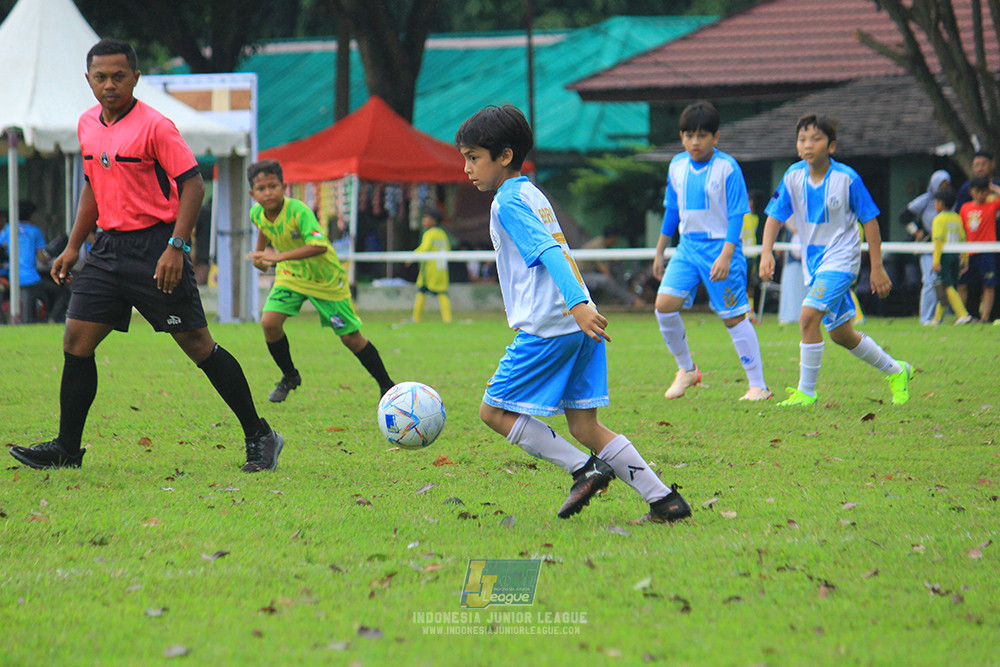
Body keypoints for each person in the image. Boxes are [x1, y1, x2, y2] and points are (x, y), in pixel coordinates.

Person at [7, 39, 283, 472]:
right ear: (88, 80)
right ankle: (67, 448)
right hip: (107, 248)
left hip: (157, 247)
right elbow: (93, 186)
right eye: (101, 77)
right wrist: (74, 246)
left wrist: (177, 246)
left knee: (197, 345)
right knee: (76, 341)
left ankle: (260, 434)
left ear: (136, 78)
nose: (109, 85)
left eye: (119, 76)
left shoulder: (156, 126)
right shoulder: (86, 124)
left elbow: (193, 184)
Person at [456, 104, 691, 524]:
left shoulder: (507, 202)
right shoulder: (532, 192)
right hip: (580, 323)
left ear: (504, 156)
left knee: (493, 412)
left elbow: (548, 252)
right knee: (585, 427)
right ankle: (665, 501)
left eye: (473, 158)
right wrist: (582, 306)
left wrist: (576, 305)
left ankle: (585, 470)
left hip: (552, 325)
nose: (467, 168)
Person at [759, 114, 913, 406]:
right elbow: (774, 216)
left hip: (842, 259)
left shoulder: (847, 178)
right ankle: (897, 370)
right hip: (814, 263)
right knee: (842, 334)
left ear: (831, 146)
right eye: (802, 139)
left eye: (815, 139)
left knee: (808, 317)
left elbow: (870, 222)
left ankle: (806, 392)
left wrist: (877, 267)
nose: (808, 144)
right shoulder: (792, 176)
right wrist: (766, 252)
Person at [246, 159, 396, 403]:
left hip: (325, 279)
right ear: (252, 194)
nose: (268, 192)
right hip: (291, 276)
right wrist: (260, 256)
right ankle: (290, 376)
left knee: (350, 337)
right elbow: (264, 228)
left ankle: (387, 385)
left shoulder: (299, 211)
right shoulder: (256, 213)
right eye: (261, 189)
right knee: (269, 323)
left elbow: (318, 246)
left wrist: (277, 257)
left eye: (273, 186)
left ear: (284, 187)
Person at [652, 101, 771, 401]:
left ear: (715, 137)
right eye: (689, 135)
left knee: (733, 317)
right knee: (664, 306)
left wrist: (726, 254)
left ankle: (758, 386)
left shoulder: (727, 167)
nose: (695, 141)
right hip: (687, 248)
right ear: (681, 137)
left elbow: (737, 214)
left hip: (720, 247)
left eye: (702, 135)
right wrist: (660, 250)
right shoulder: (676, 166)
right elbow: (672, 211)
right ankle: (687, 369)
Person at [899, 170, 952, 324]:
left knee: (947, 282)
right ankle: (926, 318)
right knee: (930, 281)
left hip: (948, 245)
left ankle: (943, 317)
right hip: (929, 244)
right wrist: (916, 231)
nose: (944, 188)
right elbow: (903, 217)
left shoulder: (952, 201)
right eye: (941, 185)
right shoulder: (926, 200)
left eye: (946, 185)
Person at [957, 176, 1000, 322]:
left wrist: (993, 188)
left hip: (986, 252)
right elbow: (961, 230)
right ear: (971, 191)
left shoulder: (992, 205)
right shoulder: (965, 207)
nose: (980, 195)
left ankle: (985, 317)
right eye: (977, 191)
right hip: (969, 252)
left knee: (988, 285)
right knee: (962, 284)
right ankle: (961, 315)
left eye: (983, 191)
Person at [929, 187, 973, 325]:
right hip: (955, 255)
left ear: (941, 203)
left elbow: (938, 241)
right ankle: (937, 319)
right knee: (948, 286)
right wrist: (964, 258)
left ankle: (963, 314)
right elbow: (963, 238)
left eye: (936, 202)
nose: (935, 204)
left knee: (947, 286)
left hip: (944, 257)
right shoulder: (956, 217)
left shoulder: (939, 219)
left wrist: (936, 261)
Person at [0, 203, 48, 323]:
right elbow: (42, 257)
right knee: (57, 293)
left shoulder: (8, 229)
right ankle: (52, 318)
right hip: (31, 277)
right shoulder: (35, 231)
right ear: (31, 215)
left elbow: (2, 246)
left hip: (13, 277)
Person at [406, 206, 452, 322]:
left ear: (433, 220)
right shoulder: (442, 234)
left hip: (430, 270)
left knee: (422, 291)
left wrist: (412, 257)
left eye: (426, 218)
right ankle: (447, 319)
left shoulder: (429, 233)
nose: (424, 220)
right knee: (440, 292)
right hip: (441, 268)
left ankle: (416, 318)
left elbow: (424, 248)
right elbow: (447, 249)